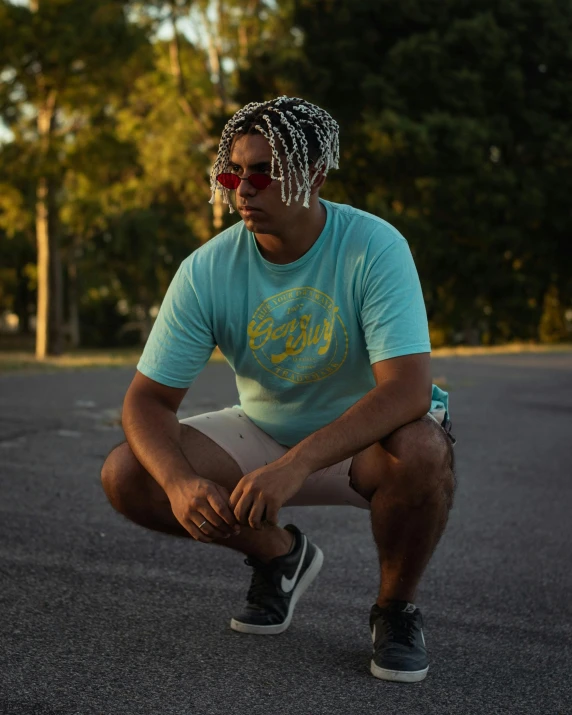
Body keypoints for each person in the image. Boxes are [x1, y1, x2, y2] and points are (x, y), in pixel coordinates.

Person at [100, 96, 457, 684]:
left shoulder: (374, 246)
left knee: (423, 449)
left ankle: (395, 610)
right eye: (232, 172)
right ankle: (279, 558)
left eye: (264, 170)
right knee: (130, 474)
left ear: (314, 174)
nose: (244, 187)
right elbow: (147, 401)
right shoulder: (206, 269)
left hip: (368, 444)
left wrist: (298, 465)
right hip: (266, 430)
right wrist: (180, 482)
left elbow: (408, 391)